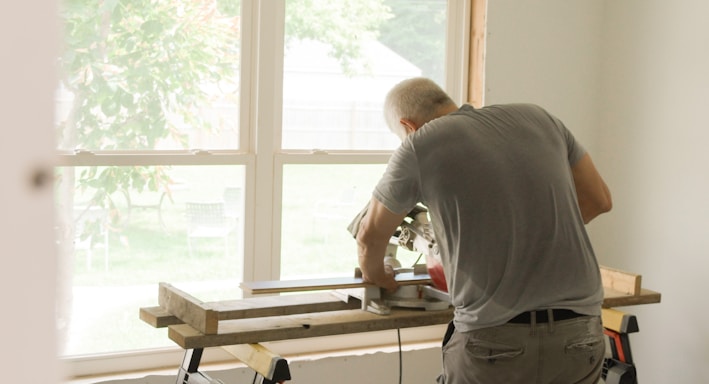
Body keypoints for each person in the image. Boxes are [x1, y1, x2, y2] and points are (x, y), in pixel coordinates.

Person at [355, 77, 612, 383]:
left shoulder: (421, 142)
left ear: (407, 126)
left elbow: (370, 236)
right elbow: (599, 200)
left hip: (495, 339)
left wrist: (378, 276)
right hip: (580, 333)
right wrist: (529, 235)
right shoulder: (540, 118)